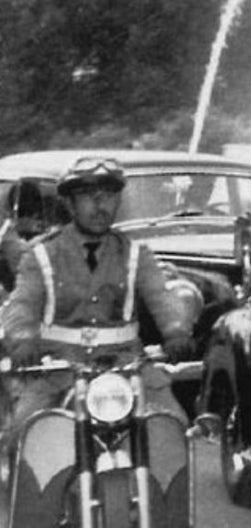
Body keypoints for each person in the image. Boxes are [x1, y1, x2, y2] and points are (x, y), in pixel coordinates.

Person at [1, 156, 195, 454]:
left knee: (173, 426)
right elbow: (23, 302)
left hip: (127, 365)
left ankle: (159, 499)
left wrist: (177, 330)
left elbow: (161, 295)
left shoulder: (136, 255)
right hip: (58, 368)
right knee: (24, 433)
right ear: (69, 204)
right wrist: (23, 340)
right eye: (86, 196)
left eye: (108, 195)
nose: (99, 204)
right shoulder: (41, 255)